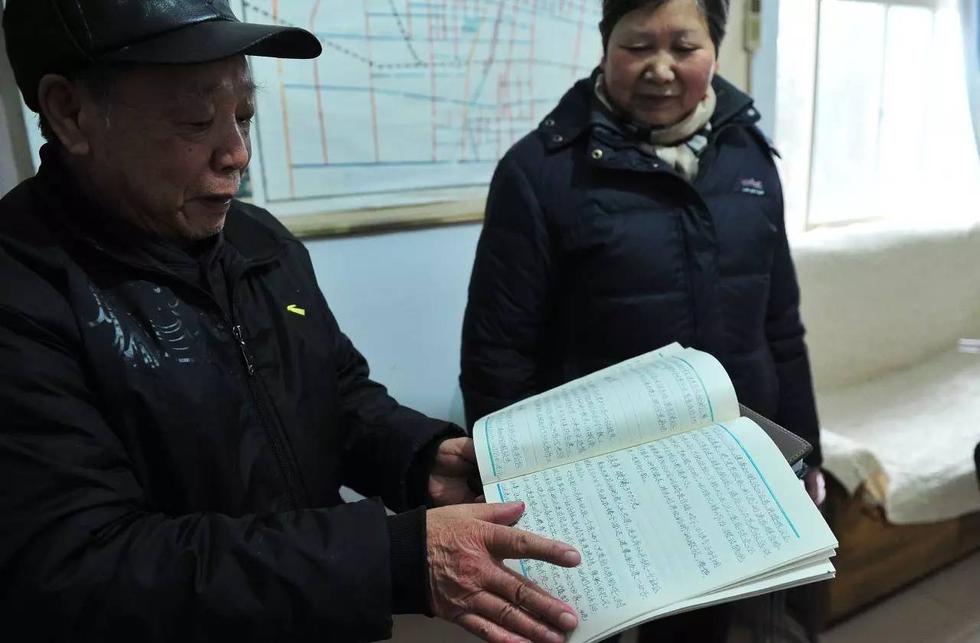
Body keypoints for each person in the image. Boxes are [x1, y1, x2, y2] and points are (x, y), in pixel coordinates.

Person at [0, 2, 583, 642]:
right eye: (195, 121)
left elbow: (336, 394)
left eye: (245, 114)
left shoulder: (258, 242)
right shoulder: (24, 291)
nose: (237, 153)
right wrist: (389, 558)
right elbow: (81, 567)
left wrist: (419, 457)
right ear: (70, 112)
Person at [461, 0, 825, 640]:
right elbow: (498, 351)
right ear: (605, 45)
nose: (660, 68)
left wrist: (806, 452)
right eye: (637, 47)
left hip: (729, 461)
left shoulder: (749, 158)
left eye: (684, 47)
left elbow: (780, 324)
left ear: (715, 48)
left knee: (704, 627)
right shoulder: (539, 171)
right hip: (595, 481)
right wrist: (508, 493)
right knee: (580, 623)